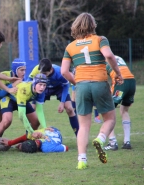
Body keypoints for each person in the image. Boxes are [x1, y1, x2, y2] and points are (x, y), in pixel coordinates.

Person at [61, 12, 124, 170]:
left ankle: (81, 160)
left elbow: (64, 71)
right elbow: (109, 55)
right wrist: (117, 72)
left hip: (81, 86)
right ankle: (101, 139)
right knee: (110, 119)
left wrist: (78, 82)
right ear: (93, 25)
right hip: (99, 83)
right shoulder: (100, 40)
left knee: (83, 126)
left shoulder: (70, 46)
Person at [0, 74, 48, 153]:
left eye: (44, 85)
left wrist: (45, 128)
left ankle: (26, 141)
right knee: (6, 121)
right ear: (34, 83)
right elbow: (21, 115)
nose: (42, 87)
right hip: (9, 98)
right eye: (40, 84)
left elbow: (40, 111)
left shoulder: (41, 92)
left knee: (35, 121)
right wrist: (32, 132)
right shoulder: (25, 89)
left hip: (23, 100)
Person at [29, 58, 79, 136]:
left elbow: (66, 86)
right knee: (31, 110)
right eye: (41, 73)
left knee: (69, 109)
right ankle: (29, 136)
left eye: (45, 73)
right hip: (44, 88)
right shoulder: (37, 69)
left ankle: (79, 136)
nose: (42, 75)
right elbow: (29, 80)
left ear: (51, 70)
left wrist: (62, 103)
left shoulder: (60, 72)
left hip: (59, 88)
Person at [103, 55, 135, 151]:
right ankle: (127, 142)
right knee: (124, 110)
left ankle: (113, 143)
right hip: (132, 82)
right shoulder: (117, 57)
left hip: (120, 82)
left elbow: (103, 78)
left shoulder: (100, 58)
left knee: (107, 112)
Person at [1, 126, 69, 153]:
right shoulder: (36, 135)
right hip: (51, 130)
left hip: (51, 131)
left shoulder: (46, 148)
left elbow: (66, 147)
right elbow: (24, 137)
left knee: (32, 134)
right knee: (32, 134)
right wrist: (10, 143)